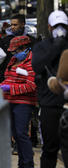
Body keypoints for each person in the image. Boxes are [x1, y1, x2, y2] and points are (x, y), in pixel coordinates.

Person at [32, 10, 68, 168]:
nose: (59, 29)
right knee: (49, 149)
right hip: (50, 104)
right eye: (56, 26)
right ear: (49, 27)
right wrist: (55, 47)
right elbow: (37, 66)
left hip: (66, 103)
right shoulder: (42, 46)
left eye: (63, 26)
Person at [0, 36, 37, 168]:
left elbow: (31, 85)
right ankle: (21, 164)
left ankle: (28, 163)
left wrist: (10, 88)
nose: (14, 54)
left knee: (21, 133)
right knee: (15, 135)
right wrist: (1, 85)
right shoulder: (13, 60)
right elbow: (8, 77)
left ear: (24, 48)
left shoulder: (32, 61)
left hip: (23, 103)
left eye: (15, 51)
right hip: (9, 101)